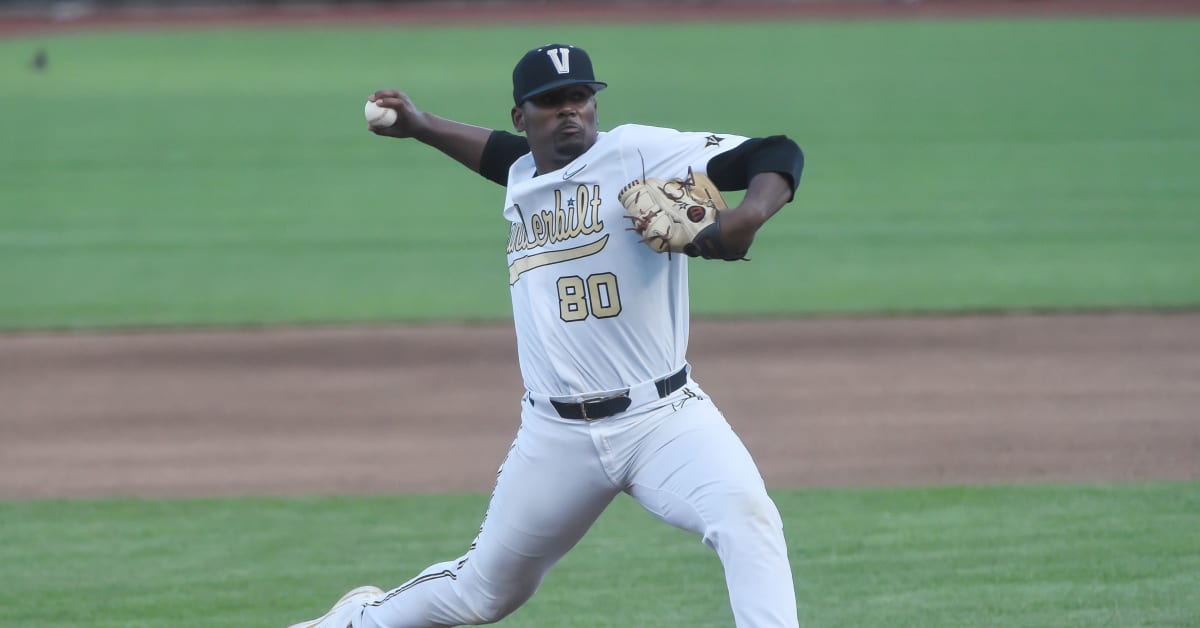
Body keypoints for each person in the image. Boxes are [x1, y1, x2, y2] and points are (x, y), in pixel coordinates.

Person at [291, 43, 805, 628]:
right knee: (482, 595)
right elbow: (497, 155)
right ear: (522, 117)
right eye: (551, 103)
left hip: (663, 419)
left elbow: (776, 152)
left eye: (580, 98)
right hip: (555, 436)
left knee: (747, 518)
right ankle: (352, 620)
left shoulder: (635, 152)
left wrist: (747, 216)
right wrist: (422, 125)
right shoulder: (521, 171)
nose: (570, 112)